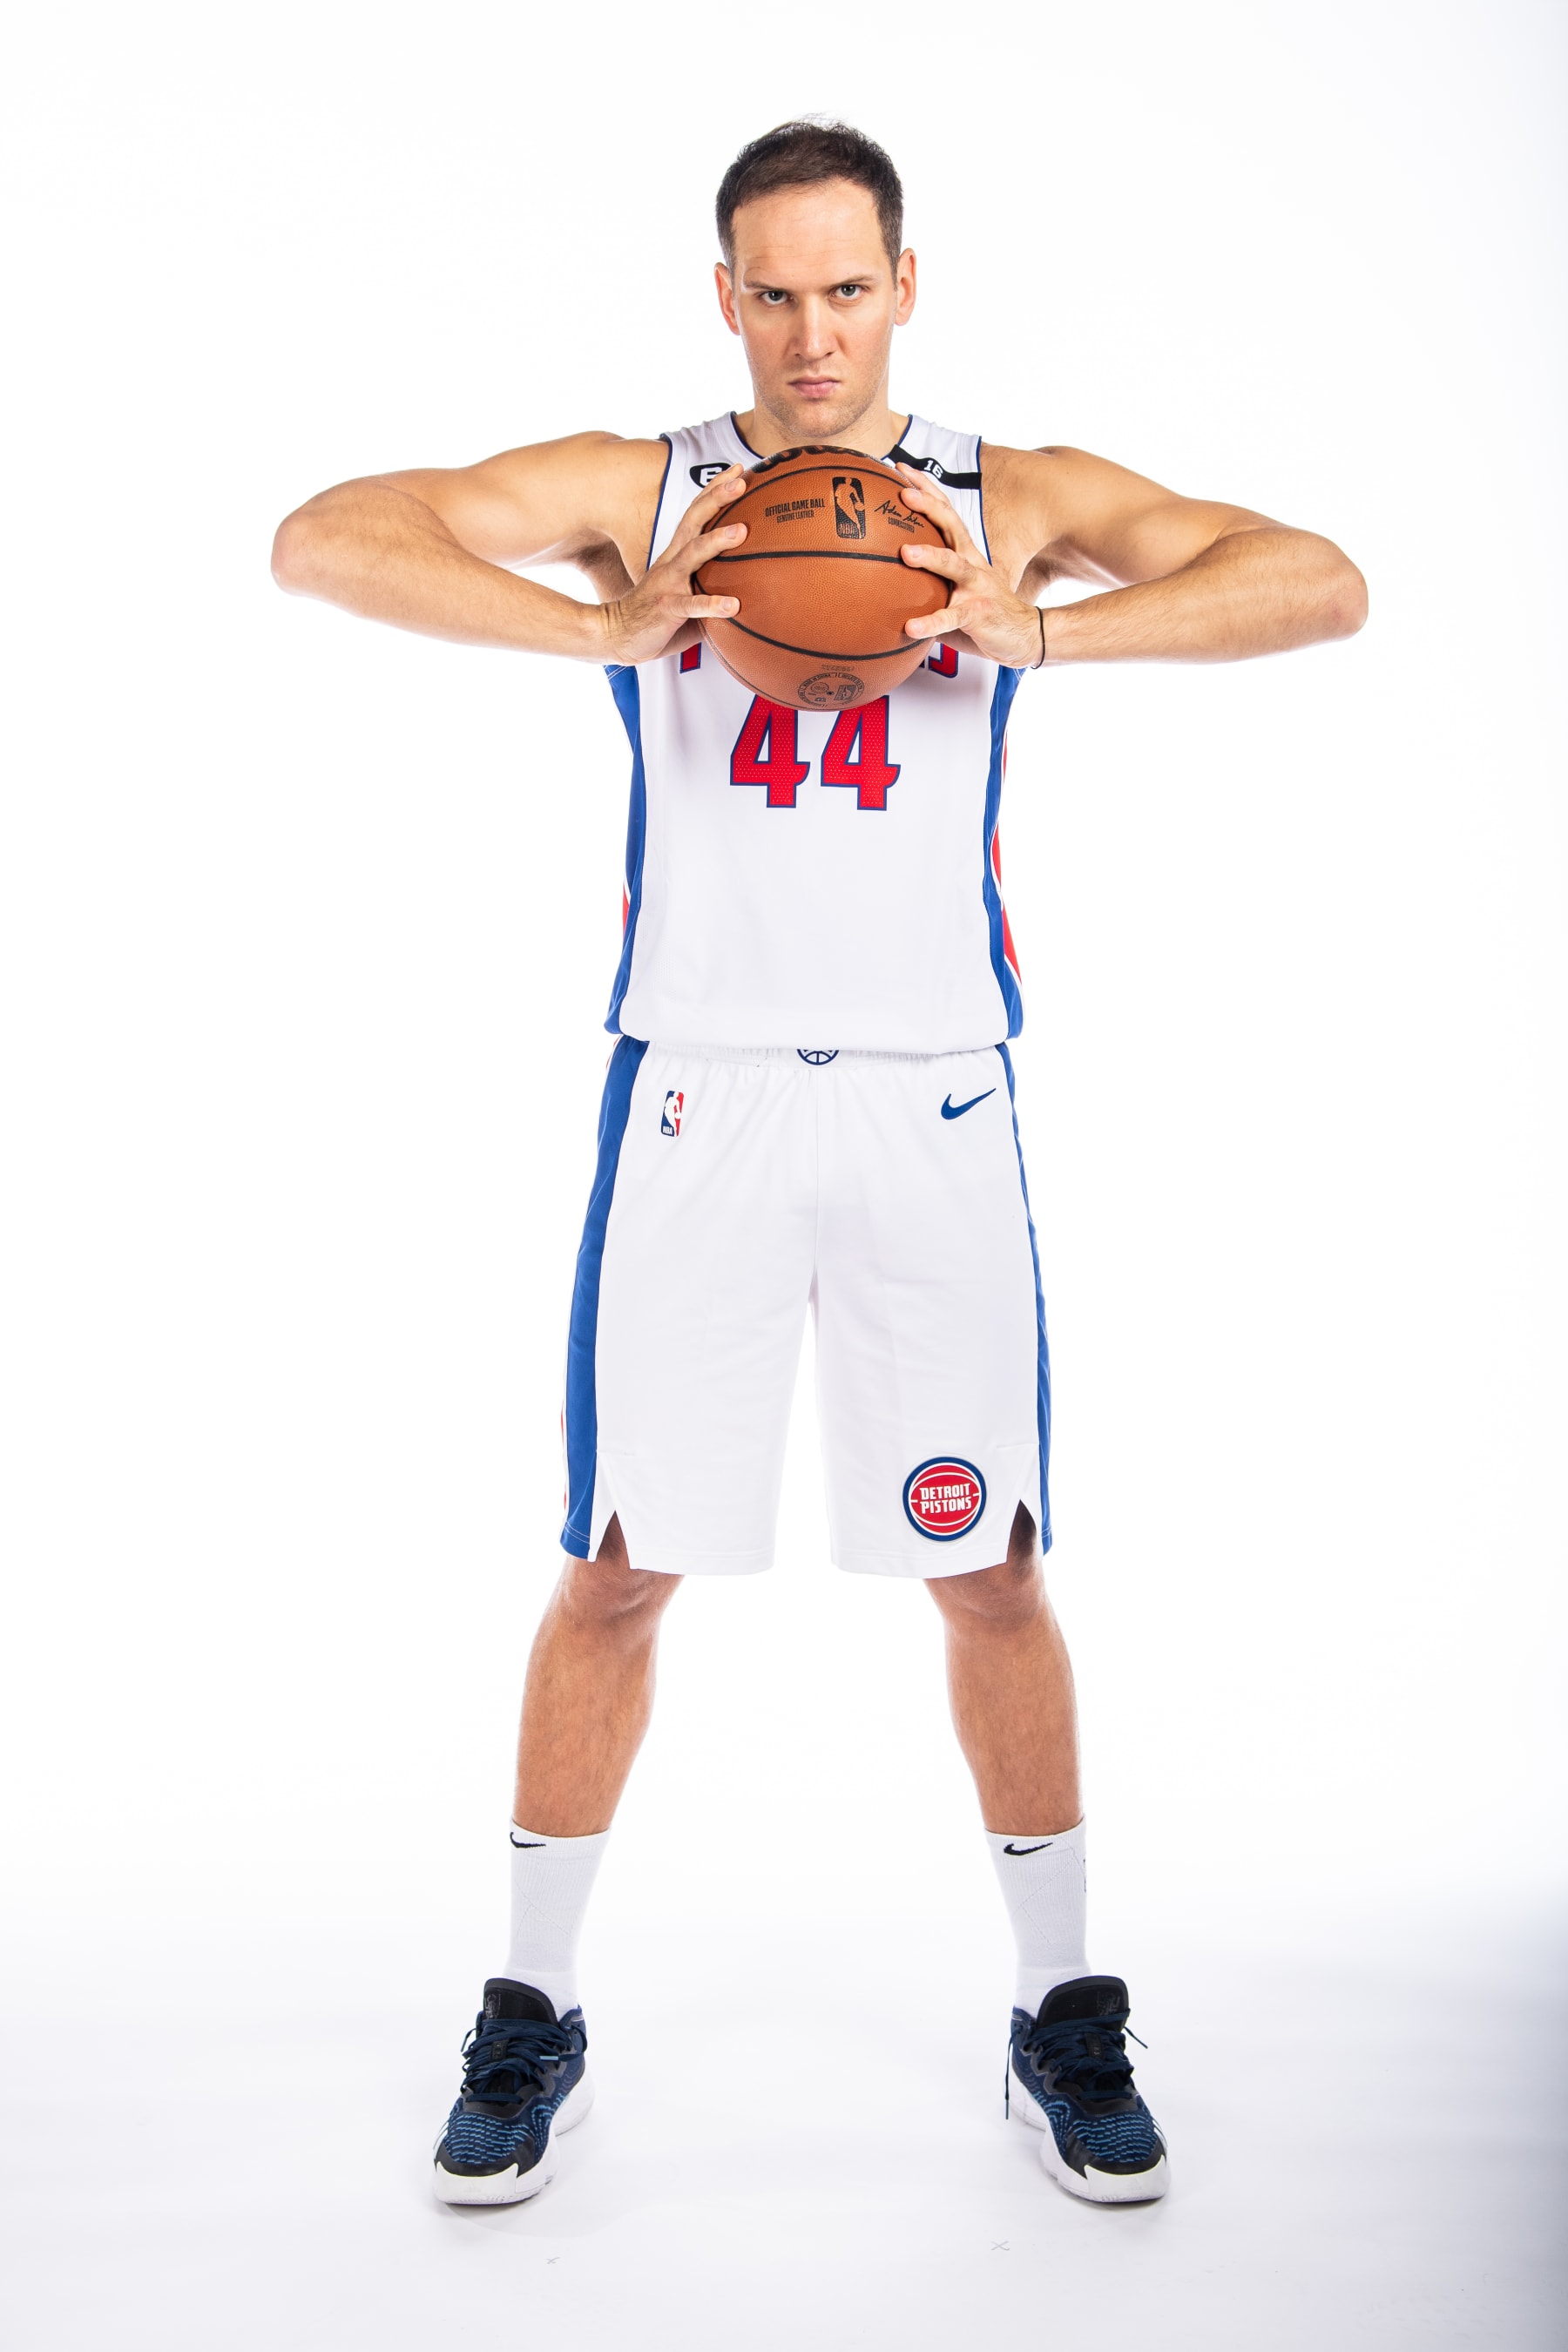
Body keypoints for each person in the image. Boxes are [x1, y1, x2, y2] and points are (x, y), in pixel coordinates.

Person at [272, 118, 1367, 2211]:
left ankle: (1062, 2006)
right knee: (616, 1565)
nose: (807, 335)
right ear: (724, 296)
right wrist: (595, 628)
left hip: (937, 1094)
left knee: (994, 1564)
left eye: (844, 289)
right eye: (770, 291)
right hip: (694, 1088)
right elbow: (324, 537)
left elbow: (1319, 581)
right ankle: (533, 2007)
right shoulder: (643, 490)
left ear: (906, 285)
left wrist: (1035, 636)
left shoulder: (1007, 502)